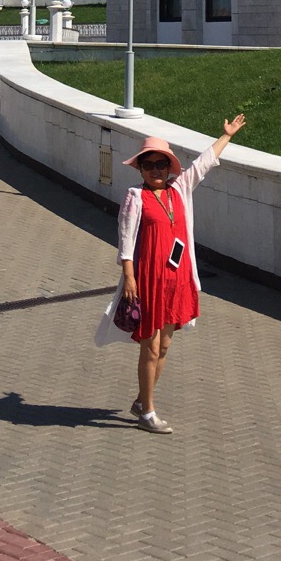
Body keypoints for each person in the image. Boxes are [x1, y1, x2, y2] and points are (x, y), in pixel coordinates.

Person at [96, 116, 246, 434]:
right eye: (149, 165)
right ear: (140, 169)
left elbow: (205, 163)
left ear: (169, 167)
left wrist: (225, 136)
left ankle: (141, 400)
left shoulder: (180, 190)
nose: (155, 170)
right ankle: (147, 413)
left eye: (161, 164)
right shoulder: (136, 197)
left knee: (164, 346)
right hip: (148, 281)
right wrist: (130, 278)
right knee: (150, 347)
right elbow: (125, 243)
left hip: (177, 280)